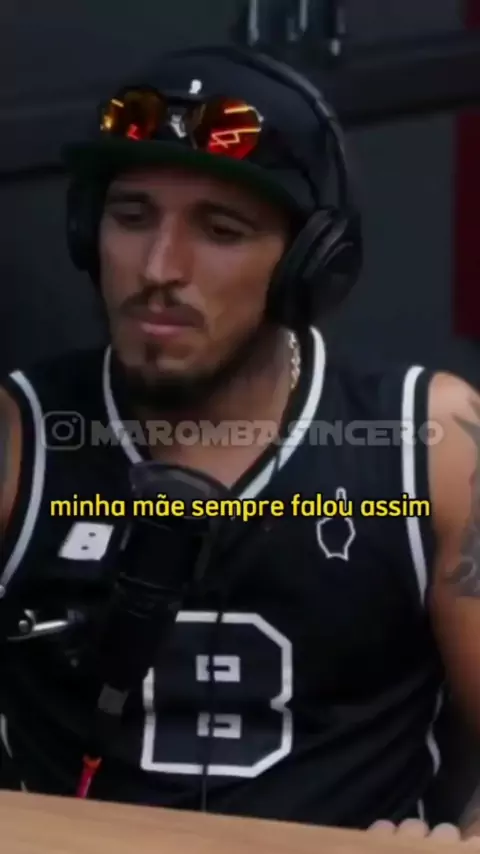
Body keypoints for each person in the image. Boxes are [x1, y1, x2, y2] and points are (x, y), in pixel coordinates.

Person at [1, 43, 480, 836]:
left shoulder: (438, 447)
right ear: (87, 232)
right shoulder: (19, 438)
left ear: (309, 264)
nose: (159, 267)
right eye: (131, 217)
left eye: (221, 229)